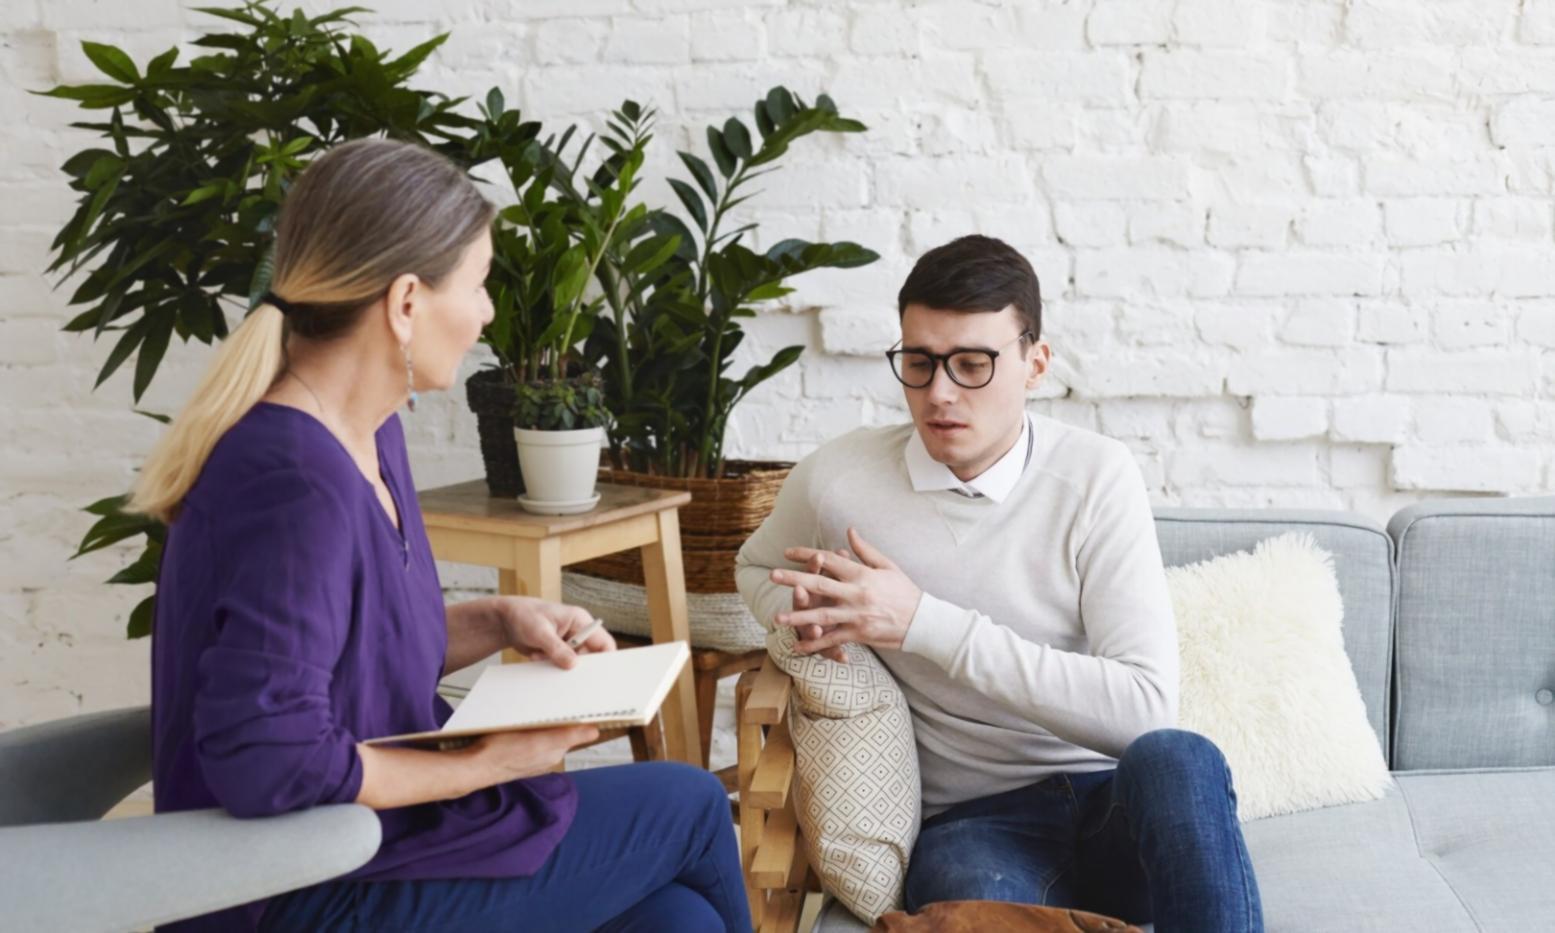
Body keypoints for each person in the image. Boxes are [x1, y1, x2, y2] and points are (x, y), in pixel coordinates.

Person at [135, 138, 750, 933]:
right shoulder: (294, 479)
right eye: (479, 284)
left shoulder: (369, 437)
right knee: (693, 802)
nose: (488, 312)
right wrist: (484, 767)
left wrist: (497, 621)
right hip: (294, 891)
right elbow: (268, 757)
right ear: (404, 304)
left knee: (677, 921)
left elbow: (342, 652)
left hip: (368, 846)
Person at [735, 235, 1263, 931]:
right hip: (974, 821)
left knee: (1179, 755)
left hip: (1113, 801)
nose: (939, 392)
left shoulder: (1095, 476)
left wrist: (922, 622)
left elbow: (1143, 710)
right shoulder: (840, 479)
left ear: (1033, 363)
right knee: (961, 900)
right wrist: (807, 612)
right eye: (918, 363)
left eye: (972, 364)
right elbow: (752, 567)